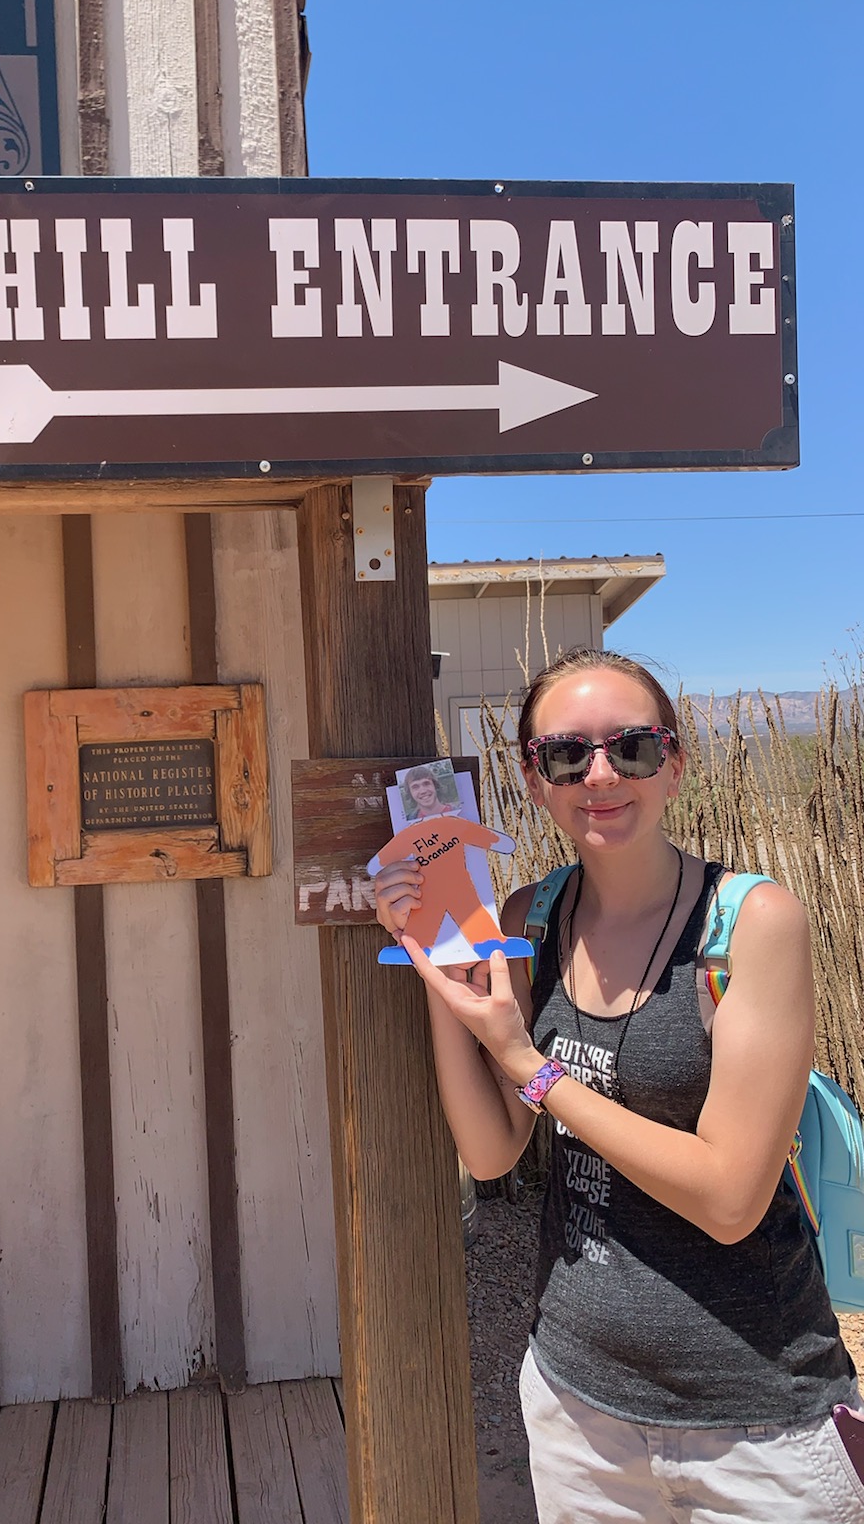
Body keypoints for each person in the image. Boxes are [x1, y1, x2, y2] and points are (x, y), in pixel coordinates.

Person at [374, 648, 863, 1523]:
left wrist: (530, 1066)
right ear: (535, 781)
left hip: (751, 1417)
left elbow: (729, 1198)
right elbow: (493, 1152)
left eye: (631, 748)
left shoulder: (752, 925)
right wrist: (438, 968)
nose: (600, 774)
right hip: (576, 1406)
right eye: (567, 754)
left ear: (674, 766)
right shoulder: (530, 919)